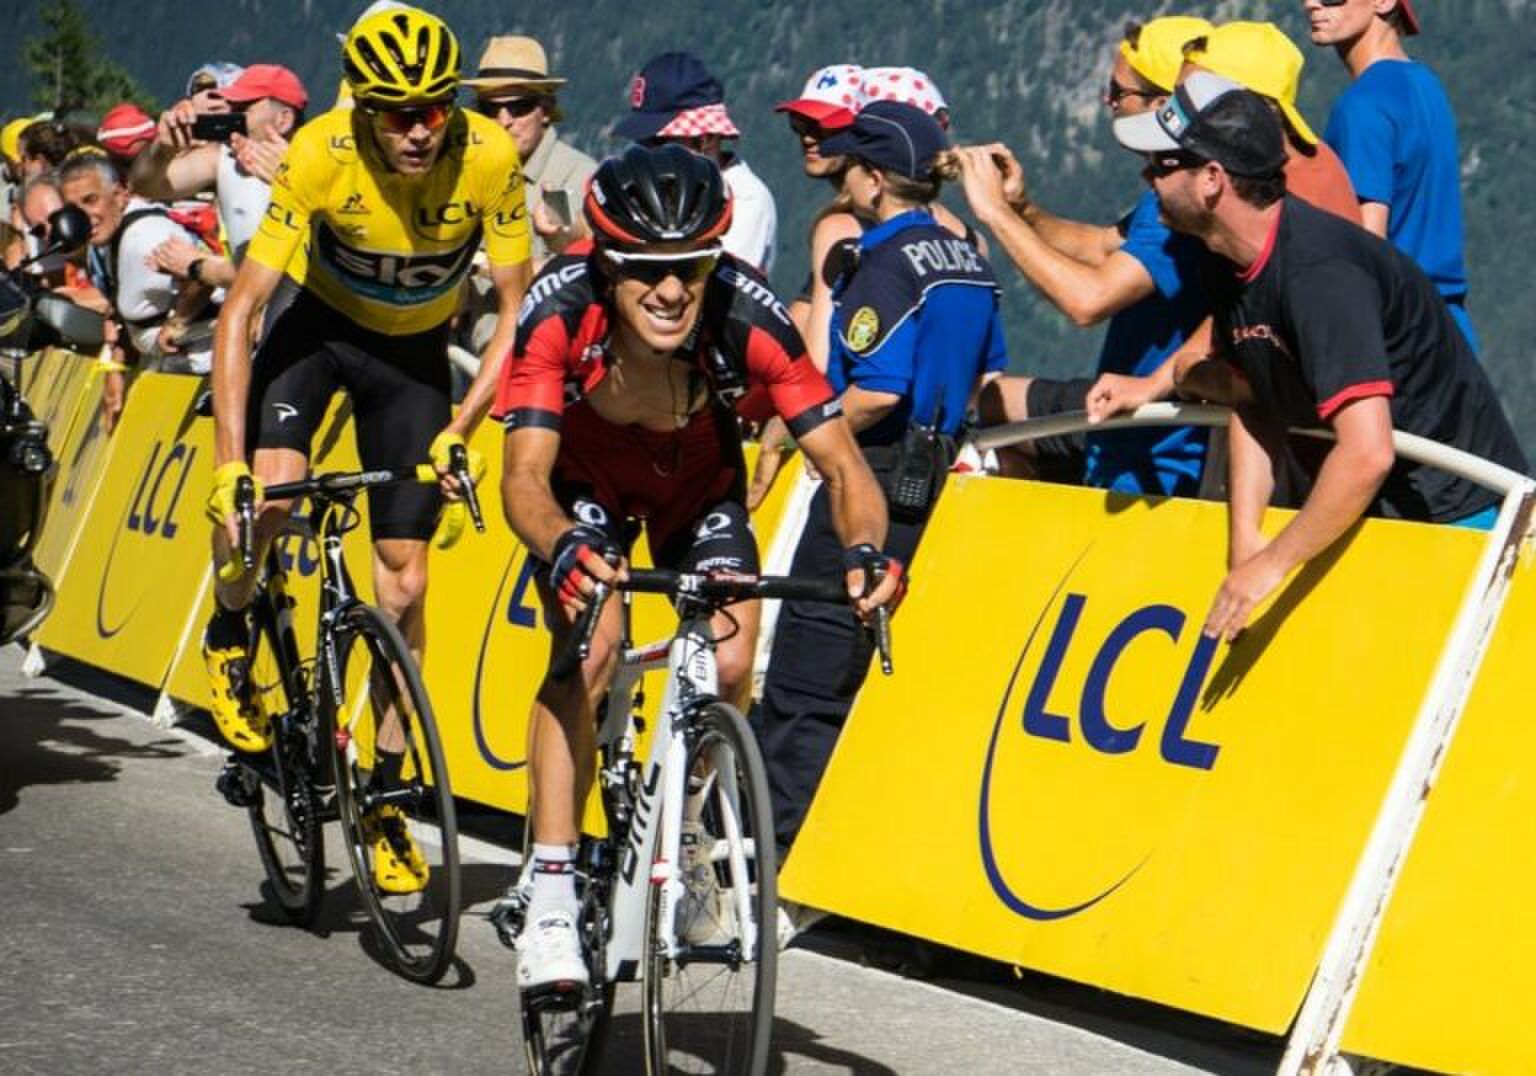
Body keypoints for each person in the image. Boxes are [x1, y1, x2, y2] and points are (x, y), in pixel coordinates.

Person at [493, 143, 902, 989]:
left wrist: (866, 551)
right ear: (607, 264)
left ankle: (684, 835)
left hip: (697, 484)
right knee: (592, 649)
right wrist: (562, 542)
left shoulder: (749, 316)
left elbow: (843, 466)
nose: (673, 289)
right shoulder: (559, 308)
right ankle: (553, 892)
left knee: (733, 660)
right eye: (648, 269)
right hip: (584, 483)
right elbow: (524, 479)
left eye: (692, 265)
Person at [201, 6, 533, 893]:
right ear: (363, 106)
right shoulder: (321, 153)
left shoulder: (489, 159)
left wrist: (463, 430)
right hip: (315, 333)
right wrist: (230, 461)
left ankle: (384, 794)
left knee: (406, 584)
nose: (419, 130)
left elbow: (516, 308)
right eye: (397, 113)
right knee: (270, 497)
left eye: (434, 109)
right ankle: (230, 628)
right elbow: (241, 312)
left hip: (412, 356)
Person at [1113, 72, 1527, 643]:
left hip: (1460, 519)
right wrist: (1245, 542)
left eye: (1162, 165)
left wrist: (1270, 566)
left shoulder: (1318, 275)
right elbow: (1256, 397)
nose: (1147, 177)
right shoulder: (1225, 256)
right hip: (1375, 510)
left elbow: (1367, 453)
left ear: (1212, 179)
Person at [757, 101, 1006, 857]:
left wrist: (803, 428)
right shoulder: (969, 259)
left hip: (871, 471)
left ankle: (771, 847)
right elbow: (983, 374)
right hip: (939, 477)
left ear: (871, 177)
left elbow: (877, 390)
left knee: (810, 666)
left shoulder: (883, 261)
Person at [956, 15, 1213, 496]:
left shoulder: (1179, 208)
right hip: (1122, 408)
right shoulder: (1173, 191)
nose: (1107, 102)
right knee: (983, 399)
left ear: (1162, 106)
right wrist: (1024, 209)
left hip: (1149, 446)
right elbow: (1100, 245)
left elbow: (1088, 301)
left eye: (1118, 92)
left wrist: (994, 213)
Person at [1081, 19, 1365, 424]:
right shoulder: (1304, 163)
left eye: (1193, 96)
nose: (1176, 109)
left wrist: (1188, 375)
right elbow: (1242, 305)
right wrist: (1163, 379)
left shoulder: (1284, 201)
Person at [1305, 0, 1479, 351]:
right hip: (1450, 332)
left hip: (1400, 339)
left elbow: (1366, 249)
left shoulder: (1363, 105)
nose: (1311, 3)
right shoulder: (1425, 84)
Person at [132, 64, 309, 291]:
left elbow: (282, 272)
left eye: (243, 108)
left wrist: (197, 266)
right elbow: (145, 185)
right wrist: (163, 148)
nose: (231, 117)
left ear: (284, 120)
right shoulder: (223, 158)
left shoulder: (318, 164)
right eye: (232, 107)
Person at [615, 51, 777, 273]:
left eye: (658, 141)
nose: (645, 151)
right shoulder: (659, 187)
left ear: (704, 139)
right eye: (642, 141)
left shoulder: (746, 200)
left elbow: (714, 282)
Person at [59, 154, 216, 375]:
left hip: (209, 363)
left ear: (120, 193)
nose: (83, 217)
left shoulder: (144, 237)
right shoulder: (107, 236)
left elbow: (203, 275)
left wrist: (178, 322)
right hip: (177, 367)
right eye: (73, 209)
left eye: (91, 200)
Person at [464, 35, 596, 266]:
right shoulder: (460, 167)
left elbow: (576, 258)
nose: (504, 121)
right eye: (490, 109)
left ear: (546, 110)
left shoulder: (575, 176)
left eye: (519, 107)